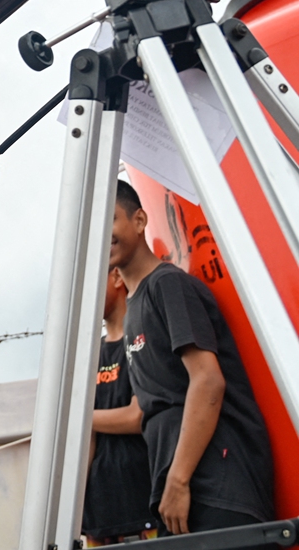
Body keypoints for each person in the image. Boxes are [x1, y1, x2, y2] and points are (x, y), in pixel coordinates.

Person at [110, 180, 274, 542]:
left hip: (218, 487)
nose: (101, 235)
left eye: (111, 219)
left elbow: (208, 381)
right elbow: (145, 412)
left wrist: (179, 478)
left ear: (139, 221)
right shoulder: (134, 307)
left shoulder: (168, 285)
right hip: (179, 497)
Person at [81, 267, 156, 546]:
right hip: (98, 518)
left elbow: (138, 416)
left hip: (143, 508)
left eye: (92, 283)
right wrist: (75, 503)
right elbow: (85, 439)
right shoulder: (90, 356)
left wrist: (79, 418)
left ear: (117, 277)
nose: (86, 294)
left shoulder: (142, 339)